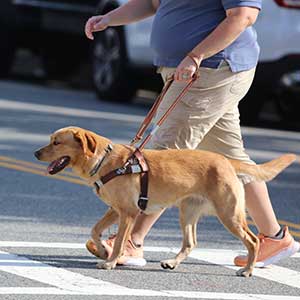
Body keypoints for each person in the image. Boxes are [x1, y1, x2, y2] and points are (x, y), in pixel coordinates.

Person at [84, 0, 299, 268]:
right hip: (187, 70)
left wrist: (197, 55)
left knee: (165, 153)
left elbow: (243, 16)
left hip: (211, 69)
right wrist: (109, 19)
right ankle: (275, 237)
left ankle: (132, 241)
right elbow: (151, 4)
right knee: (229, 158)